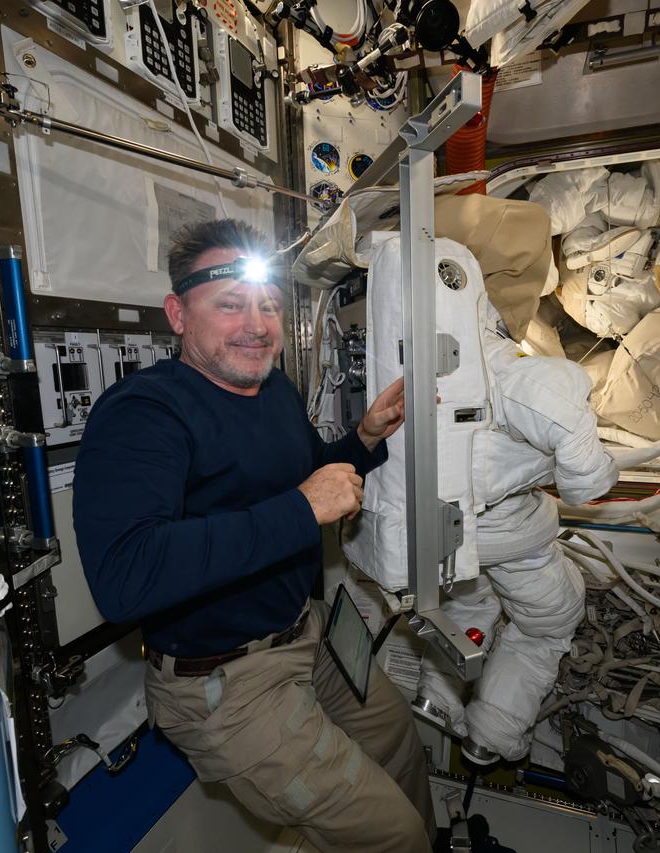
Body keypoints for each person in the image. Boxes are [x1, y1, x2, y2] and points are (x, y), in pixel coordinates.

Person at [72, 219, 438, 853]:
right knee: (390, 835)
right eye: (230, 304)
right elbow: (126, 578)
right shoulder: (143, 414)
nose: (257, 323)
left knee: (400, 745)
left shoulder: (274, 392)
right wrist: (301, 509)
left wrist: (366, 441)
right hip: (226, 682)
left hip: (310, 635)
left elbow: (297, 482)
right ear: (178, 314)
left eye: (268, 305)